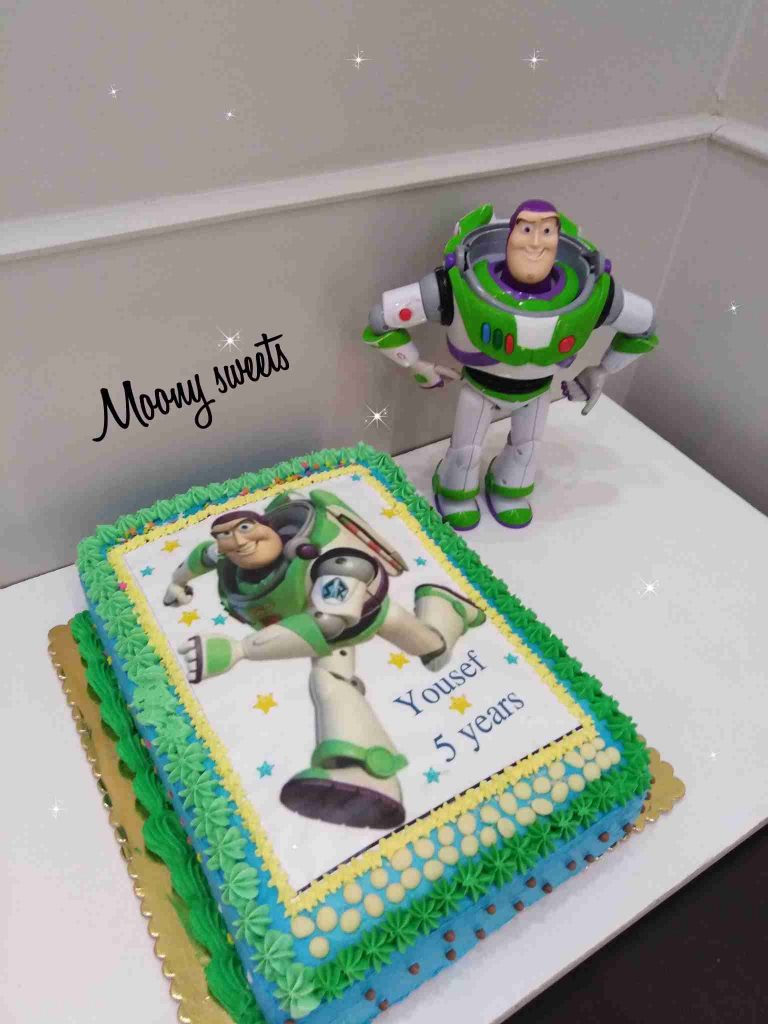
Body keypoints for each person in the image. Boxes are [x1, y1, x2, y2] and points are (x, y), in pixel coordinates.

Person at [164, 488, 484, 829]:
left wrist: (239, 650)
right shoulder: (231, 555)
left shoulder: (334, 558)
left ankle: (446, 608)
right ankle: (364, 771)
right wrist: (177, 583)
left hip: (365, 617)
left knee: (432, 649)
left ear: (268, 528)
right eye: (225, 536)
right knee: (328, 683)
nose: (238, 542)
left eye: (245, 529)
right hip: (329, 638)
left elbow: (327, 624)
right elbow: (201, 557)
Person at [363, 200, 659, 529]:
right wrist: (418, 364)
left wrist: (602, 370)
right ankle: (454, 493)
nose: (535, 243)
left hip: (537, 392)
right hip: (479, 388)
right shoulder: (455, 286)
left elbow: (645, 329)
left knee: (526, 449)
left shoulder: (593, 294)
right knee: (465, 452)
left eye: (546, 231)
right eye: (527, 229)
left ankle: (508, 488)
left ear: (559, 239)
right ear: (509, 236)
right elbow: (381, 320)